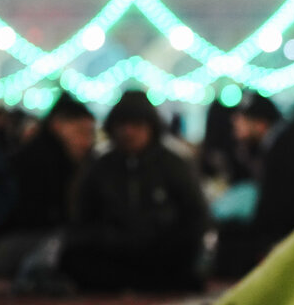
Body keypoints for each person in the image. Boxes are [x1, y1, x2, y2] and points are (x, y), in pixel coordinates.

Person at [60, 90, 208, 292]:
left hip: (160, 251)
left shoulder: (173, 164)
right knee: (74, 257)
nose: (129, 132)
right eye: (123, 125)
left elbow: (197, 216)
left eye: (137, 126)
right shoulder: (100, 166)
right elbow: (82, 219)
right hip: (113, 252)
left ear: (151, 127)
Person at [212, 92, 294, 278]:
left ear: (260, 124)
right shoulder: (283, 140)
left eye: (241, 122)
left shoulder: (285, 147)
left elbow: (277, 208)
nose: (236, 128)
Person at [0, 93, 95, 287]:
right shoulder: (39, 161)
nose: (86, 141)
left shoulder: (69, 160)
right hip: (15, 244)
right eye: (81, 132)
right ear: (58, 125)